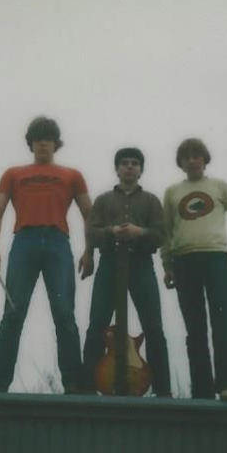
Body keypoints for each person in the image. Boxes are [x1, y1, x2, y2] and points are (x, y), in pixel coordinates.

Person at [0, 116, 92, 394]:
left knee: (65, 315)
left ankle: (73, 383)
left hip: (58, 242)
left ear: (56, 144)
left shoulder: (72, 175)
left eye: (48, 139)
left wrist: (89, 251)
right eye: (38, 139)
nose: (43, 144)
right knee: (13, 313)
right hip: (25, 241)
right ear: (31, 143)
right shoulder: (13, 174)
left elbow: (90, 215)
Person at [161, 137, 227, 401]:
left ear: (205, 159)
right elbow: (166, 233)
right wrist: (167, 265)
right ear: (180, 163)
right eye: (187, 157)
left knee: (224, 322)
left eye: (197, 156)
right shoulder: (172, 192)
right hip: (184, 262)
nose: (192, 161)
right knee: (195, 329)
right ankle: (201, 391)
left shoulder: (220, 186)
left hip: (216, 260)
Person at [82, 147, 171, 396]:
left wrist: (139, 232)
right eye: (124, 163)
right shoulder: (103, 200)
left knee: (153, 327)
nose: (129, 167)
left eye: (134, 163)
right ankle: (86, 388)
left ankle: (163, 391)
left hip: (141, 264)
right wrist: (112, 232)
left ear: (141, 170)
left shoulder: (151, 201)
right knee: (97, 324)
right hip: (110, 263)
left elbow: (161, 234)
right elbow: (91, 233)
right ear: (117, 169)